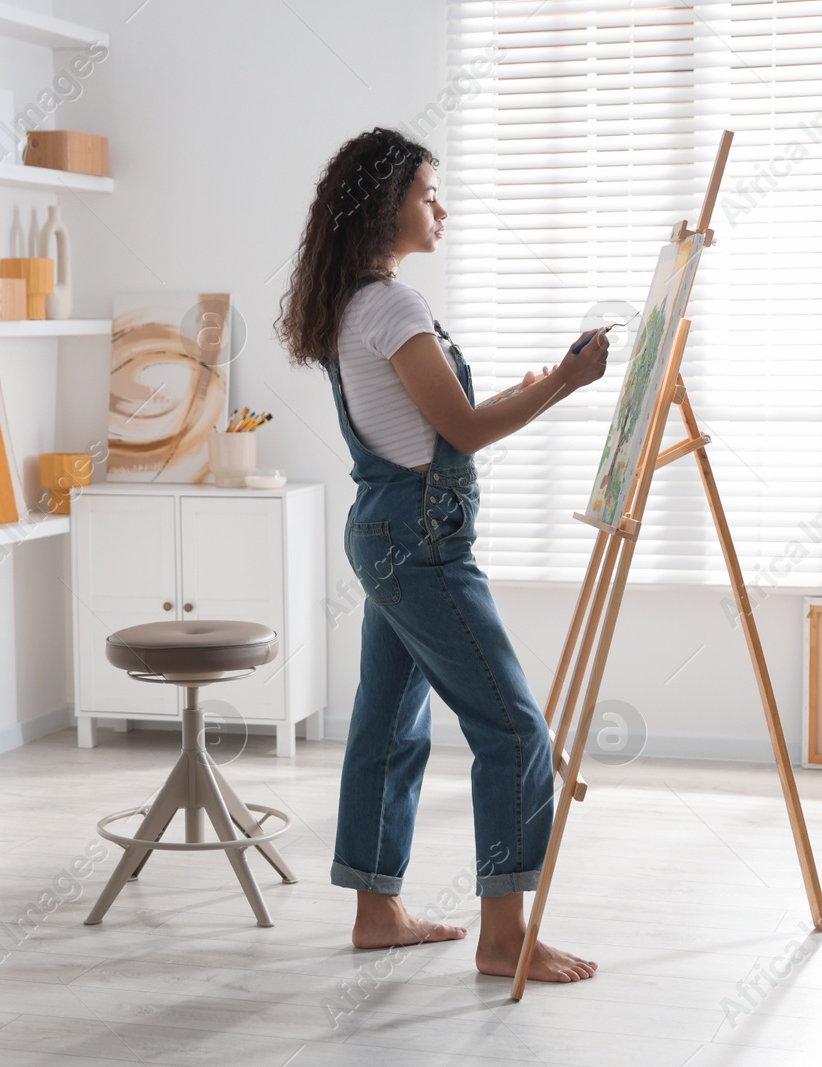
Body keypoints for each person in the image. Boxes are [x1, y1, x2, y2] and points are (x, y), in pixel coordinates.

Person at [275, 127, 610, 983]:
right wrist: (566, 386)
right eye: (429, 192)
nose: (442, 206)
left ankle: (377, 912)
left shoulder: (359, 303)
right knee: (513, 729)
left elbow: (431, 428)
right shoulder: (394, 308)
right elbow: (461, 431)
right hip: (420, 545)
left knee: (386, 726)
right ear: (388, 204)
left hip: (388, 531)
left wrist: (535, 386)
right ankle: (505, 936)